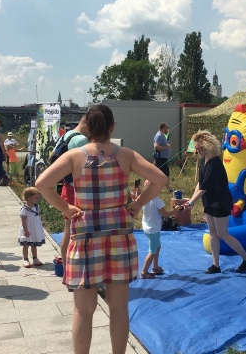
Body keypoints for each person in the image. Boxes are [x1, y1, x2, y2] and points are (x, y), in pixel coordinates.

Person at [36, 104, 167, 354]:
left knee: (83, 311)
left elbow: (42, 183)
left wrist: (66, 208)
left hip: (85, 236)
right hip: (119, 236)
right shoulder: (126, 155)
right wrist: (137, 204)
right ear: (111, 127)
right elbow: (161, 179)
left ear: (87, 129)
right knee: (118, 308)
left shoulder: (75, 156)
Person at [182, 130, 246, 274]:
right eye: (197, 148)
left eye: (200, 148)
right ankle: (215, 265)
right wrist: (190, 199)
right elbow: (200, 183)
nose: (198, 150)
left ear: (207, 146)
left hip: (220, 202)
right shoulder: (204, 161)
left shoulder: (215, 164)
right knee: (212, 233)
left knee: (223, 234)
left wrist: (191, 204)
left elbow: (203, 187)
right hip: (209, 201)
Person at [54, 115, 89, 276]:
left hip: (67, 188)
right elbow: (87, 171)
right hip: (78, 190)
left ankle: (67, 269)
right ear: (87, 125)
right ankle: (77, 271)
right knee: (79, 232)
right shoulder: (81, 140)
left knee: (67, 230)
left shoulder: (66, 136)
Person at [140, 179, 176, 279]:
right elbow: (165, 214)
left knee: (157, 246)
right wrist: (175, 211)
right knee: (152, 250)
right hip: (154, 229)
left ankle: (155, 267)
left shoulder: (143, 198)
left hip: (147, 227)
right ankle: (144, 272)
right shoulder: (158, 202)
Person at [18, 187, 46, 268]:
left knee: (34, 245)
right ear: (29, 197)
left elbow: (37, 217)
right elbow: (23, 221)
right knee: (26, 245)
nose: (38, 199)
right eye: (36, 197)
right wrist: (25, 230)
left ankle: (35, 258)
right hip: (27, 229)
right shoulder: (24, 209)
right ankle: (26, 259)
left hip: (35, 229)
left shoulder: (37, 207)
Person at [153, 122, 172, 192]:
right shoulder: (159, 136)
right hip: (161, 158)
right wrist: (166, 147)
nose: (167, 129)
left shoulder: (162, 135)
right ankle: (168, 188)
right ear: (163, 128)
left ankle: (166, 187)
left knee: (160, 173)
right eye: (166, 127)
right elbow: (156, 146)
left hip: (163, 158)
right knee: (165, 173)